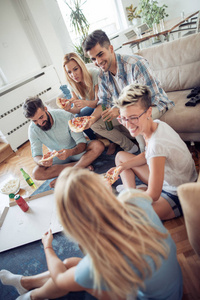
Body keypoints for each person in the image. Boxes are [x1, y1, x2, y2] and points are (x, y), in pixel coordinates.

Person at [0, 167, 183, 300]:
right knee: (70, 264)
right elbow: (142, 196)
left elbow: (61, 279)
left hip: (148, 296)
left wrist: (48, 246)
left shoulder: (98, 263)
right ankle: (26, 284)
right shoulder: (134, 199)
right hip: (172, 285)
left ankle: (32, 297)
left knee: (73, 273)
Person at [113, 84, 198, 220]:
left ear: (148, 112)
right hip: (167, 178)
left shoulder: (156, 145)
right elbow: (146, 155)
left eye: (133, 117)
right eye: (123, 118)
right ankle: (132, 192)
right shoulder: (157, 124)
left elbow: (153, 194)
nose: (128, 124)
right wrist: (124, 167)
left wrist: (127, 201)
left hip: (178, 193)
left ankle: (132, 195)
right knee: (120, 158)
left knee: (130, 216)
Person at [82, 29, 175, 153]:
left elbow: (149, 98)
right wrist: (91, 119)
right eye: (93, 59)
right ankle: (130, 147)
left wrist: (120, 110)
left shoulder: (135, 64)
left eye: (100, 54)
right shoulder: (102, 75)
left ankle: (145, 150)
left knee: (129, 117)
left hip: (155, 104)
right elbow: (103, 102)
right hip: (126, 111)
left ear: (110, 49)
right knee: (96, 125)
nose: (98, 62)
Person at [22, 97, 105, 187]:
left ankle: (68, 174)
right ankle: (81, 166)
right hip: (57, 157)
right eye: (34, 121)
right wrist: (42, 162)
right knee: (36, 173)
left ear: (45, 109)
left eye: (41, 117)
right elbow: (36, 155)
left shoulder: (65, 116)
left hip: (77, 152)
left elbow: (82, 144)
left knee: (98, 145)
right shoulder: (32, 130)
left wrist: (70, 152)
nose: (40, 123)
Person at [62, 52, 99, 140]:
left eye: (75, 69)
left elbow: (99, 102)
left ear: (81, 67)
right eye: (69, 72)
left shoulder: (94, 74)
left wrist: (85, 103)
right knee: (77, 119)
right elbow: (77, 109)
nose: (73, 75)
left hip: (101, 105)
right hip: (90, 107)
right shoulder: (72, 84)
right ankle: (94, 140)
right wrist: (69, 109)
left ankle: (112, 142)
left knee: (85, 114)